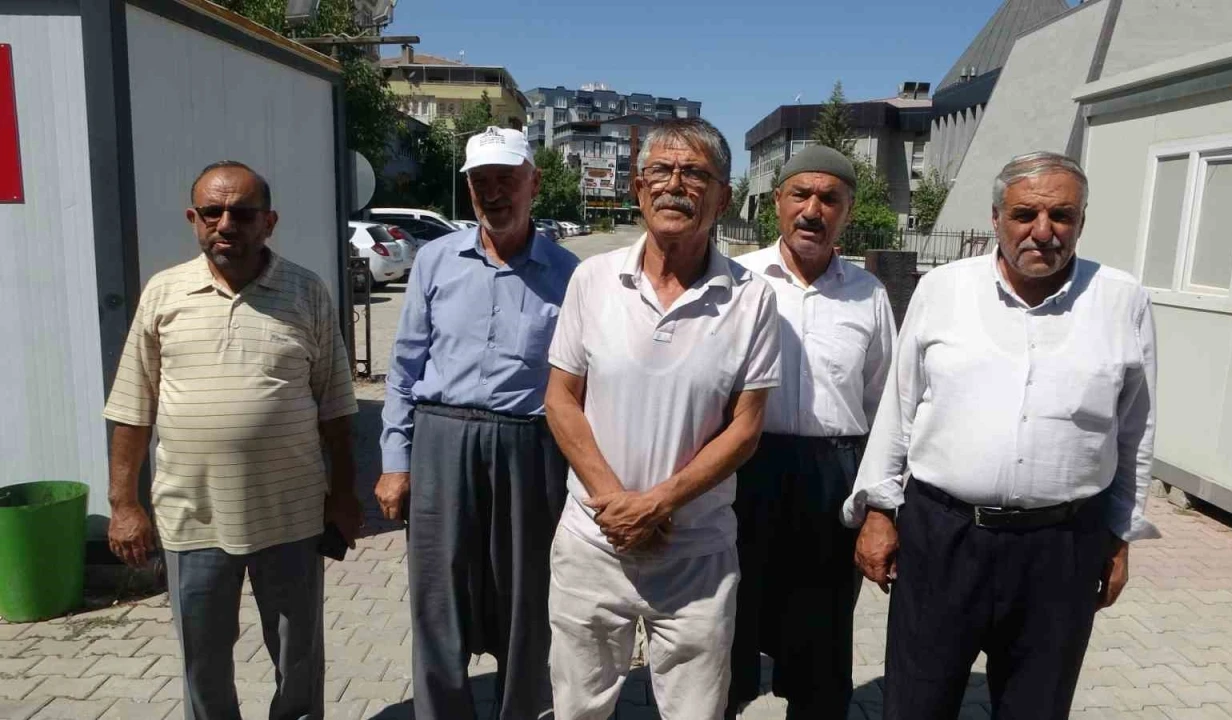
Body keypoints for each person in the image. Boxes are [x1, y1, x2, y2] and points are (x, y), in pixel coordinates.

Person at [847, 151, 1159, 719]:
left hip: (1063, 547)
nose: (1043, 231)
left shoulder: (1122, 300)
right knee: (916, 704)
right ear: (995, 218)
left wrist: (1120, 535)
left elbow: (1135, 432)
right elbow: (899, 406)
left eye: (1061, 215)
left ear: (1082, 221)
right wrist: (877, 510)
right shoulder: (943, 289)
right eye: (1024, 214)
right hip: (943, 539)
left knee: (1037, 708)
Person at [103, 161, 360, 720]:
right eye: (211, 212)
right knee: (203, 660)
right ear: (193, 218)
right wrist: (123, 504)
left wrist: (344, 494)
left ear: (269, 222)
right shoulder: (164, 293)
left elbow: (337, 408)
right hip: (193, 516)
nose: (225, 224)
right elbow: (131, 410)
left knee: (298, 658)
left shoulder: (307, 292)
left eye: (242, 214)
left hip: (290, 515)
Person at [543, 117, 781, 720]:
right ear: (638, 187)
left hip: (695, 553)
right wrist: (616, 505)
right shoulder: (592, 279)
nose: (675, 185)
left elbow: (746, 427)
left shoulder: (752, 298)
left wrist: (657, 504)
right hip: (593, 543)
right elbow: (561, 399)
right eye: (661, 171)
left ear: (723, 197)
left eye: (695, 173)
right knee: (578, 708)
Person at [375, 126, 579, 720]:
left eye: (506, 179)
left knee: (527, 595)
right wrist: (394, 461)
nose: (493, 193)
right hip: (441, 440)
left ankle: (524, 710)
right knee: (437, 596)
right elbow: (405, 366)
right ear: (468, 189)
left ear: (533, 183)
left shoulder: (570, 274)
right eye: (480, 181)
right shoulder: (435, 260)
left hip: (529, 447)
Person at [728, 146, 896, 718]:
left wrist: (882, 504)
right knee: (729, 629)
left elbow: (885, 404)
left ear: (848, 211)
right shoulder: (738, 279)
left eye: (830, 199)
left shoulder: (868, 294)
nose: (812, 210)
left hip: (833, 480)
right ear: (777, 201)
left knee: (820, 645)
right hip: (745, 471)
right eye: (801, 194)